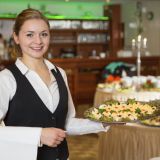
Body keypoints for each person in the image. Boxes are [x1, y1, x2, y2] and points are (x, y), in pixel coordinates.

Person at [0, 8, 109, 160]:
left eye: (43, 34)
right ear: (16, 37)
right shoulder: (6, 79)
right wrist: (38, 135)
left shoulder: (60, 73)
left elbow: (66, 123)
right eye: (29, 34)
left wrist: (103, 122)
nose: (38, 41)